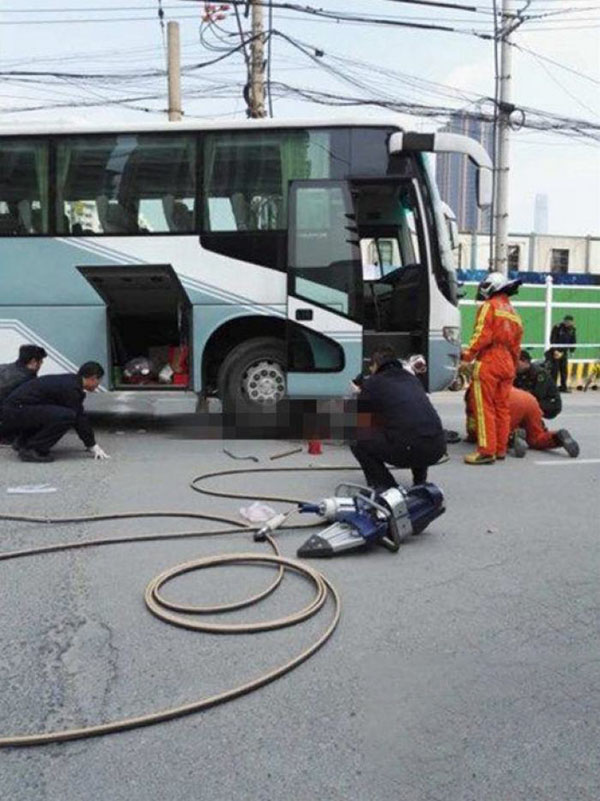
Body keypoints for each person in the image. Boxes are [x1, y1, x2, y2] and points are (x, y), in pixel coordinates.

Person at [350, 345, 446, 489]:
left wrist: (359, 393)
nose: (370, 370)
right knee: (415, 428)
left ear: (376, 365)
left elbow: (361, 416)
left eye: (371, 367)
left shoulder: (373, 383)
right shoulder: (412, 379)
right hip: (437, 447)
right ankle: (420, 482)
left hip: (407, 449)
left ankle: (386, 486)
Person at [461, 271, 523, 465]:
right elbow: (516, 347)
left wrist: (467, 356)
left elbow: (482, 335)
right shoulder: (514, 314)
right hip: (508, 364)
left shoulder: (489, 307)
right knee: (502, 409)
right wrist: (512, 366)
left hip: (490, 360)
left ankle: (486, 451)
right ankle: (500, 449)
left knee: (484, 407)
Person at [2, 361, 110, 463]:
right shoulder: (72, 389)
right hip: (16, 411)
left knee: (54, 413)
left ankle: (23, 442)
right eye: (98, 381)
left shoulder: (70, 382)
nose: (98, 385)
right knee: (66, 416)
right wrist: (93, 446)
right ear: (93, 378)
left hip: (14, 410)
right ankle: (33, 449)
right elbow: (79, 418)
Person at [466, 385, 579, 458]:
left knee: (494, 435)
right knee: (536, 438)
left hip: (511, 404)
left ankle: (512, 436)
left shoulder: (474, 395)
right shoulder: (491, 381)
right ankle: (558, 437)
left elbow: (474, 425)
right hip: (529, 400)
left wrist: (472, 436)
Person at [0, 345, 47, 442]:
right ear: (33, 361)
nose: (42, 364)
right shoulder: (27, 380)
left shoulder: (4, 367)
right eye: (41, 361)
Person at [514, 349, 561, 419]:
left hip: (549, 403)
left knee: (525, 404)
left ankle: (536, 426)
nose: (514, 366)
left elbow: (539, 394)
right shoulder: (518, 374)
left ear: (525, 362)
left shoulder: (539, 374)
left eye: (516, 363)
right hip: (535, 401)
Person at [548, 314, 576, 392]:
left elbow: (573, 341)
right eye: (566, 321)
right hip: (555, 351)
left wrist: (572, 350)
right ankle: (553, 387)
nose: (568, 323)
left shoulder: (572, 329)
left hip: (564, 352)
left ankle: (563, 387)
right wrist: (555, 350)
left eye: (570, 322)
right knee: (554, 370)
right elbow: (552, 339)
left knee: (564, 370)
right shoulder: (557, 328)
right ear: (564, 321)